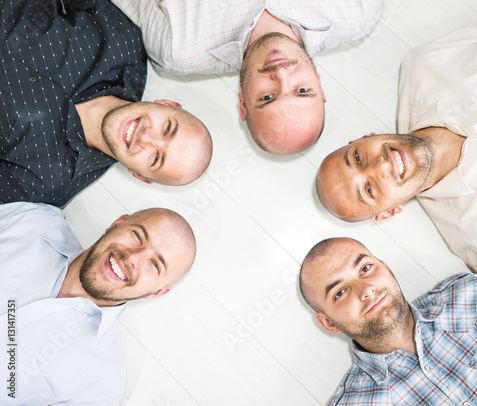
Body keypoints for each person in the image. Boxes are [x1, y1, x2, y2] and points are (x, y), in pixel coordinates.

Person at [316, 8, 477, 277]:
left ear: (364, 138)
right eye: (369, 189)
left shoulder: (426, 66)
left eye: (357, 158)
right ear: (389, 211)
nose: (380, 165)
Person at [0, 0, 213, 206]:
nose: (146, 137)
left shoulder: (46, 185)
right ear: (168, 104)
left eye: (156, 158)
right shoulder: (124, 43)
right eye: (167, 128)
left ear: (139, 175)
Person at [110, 0, 384, 155]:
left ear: (243, 103)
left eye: (267, 97)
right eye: (302, 90)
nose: (280, 75)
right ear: (319, 84)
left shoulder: (179, 47)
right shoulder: (357, 11)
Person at [0, 201, 196, 405]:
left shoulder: (101, 387)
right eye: (137, 236)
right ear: (116, 223)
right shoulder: (34, 221)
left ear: (156, 293)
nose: (133, 257)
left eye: (155, 264)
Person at [299, 237, 477, 405]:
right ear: (329, 323)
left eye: (365, 268)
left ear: (387, 268)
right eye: (340, 292)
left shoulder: (474, 294)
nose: (366, 290)